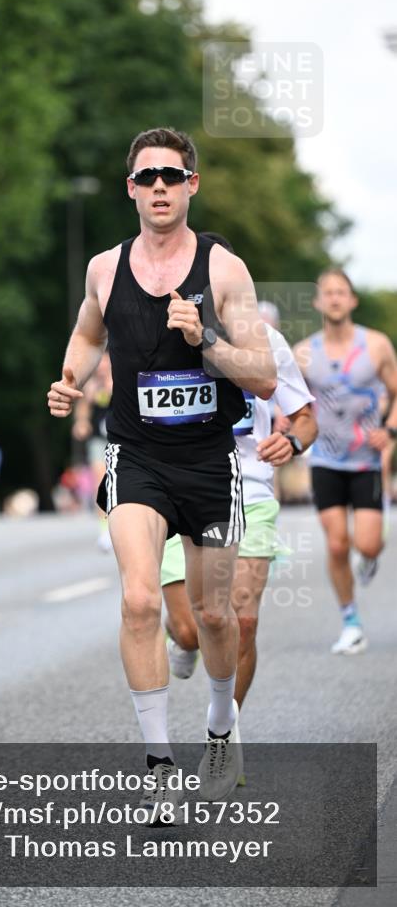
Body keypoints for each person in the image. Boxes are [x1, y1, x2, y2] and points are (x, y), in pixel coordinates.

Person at [47, 127, 276, 812]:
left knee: (212, 614)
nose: (158, 188)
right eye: (146, 177)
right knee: (141, 600)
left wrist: (202, 338)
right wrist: (69, 379)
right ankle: (156, 766)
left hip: (209, 461)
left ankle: (217, 726)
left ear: (190, 185)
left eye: (170, 177)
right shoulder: (103, 268)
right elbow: (89, 332)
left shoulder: (224, 269)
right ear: (130, 189)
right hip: (135, 455)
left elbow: (262, 376)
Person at [160, 290, 317, 750]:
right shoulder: (161, 338)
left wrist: (294, 444)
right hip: (180, 491)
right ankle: (184, 643)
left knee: (242, 620)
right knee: (192, 626)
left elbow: (305, 418)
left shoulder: (266, 341)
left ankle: (222, 734)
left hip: (250, 489)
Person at [294, 269, 397, 655]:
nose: (335, 299)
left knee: (368, 545)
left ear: (352, 300)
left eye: (342, 292)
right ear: (318, 302)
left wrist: (390, 431)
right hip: (324, 459)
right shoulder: (302, 352)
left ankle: (368, 559)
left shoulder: (376, 345)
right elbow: (291, 402)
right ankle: (351, 620)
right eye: (328, 293)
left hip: (367, 460)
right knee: (337, 545)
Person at [72, 352, 114, 551]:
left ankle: (122, 527)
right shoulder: (92, 386)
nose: (101, 368)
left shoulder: (121, 379)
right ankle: (104, 530)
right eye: (99, 365)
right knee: (101, 482)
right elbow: (83, 408)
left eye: (105, 365)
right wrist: (81, 423)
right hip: (99, 440)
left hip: (120, 440)